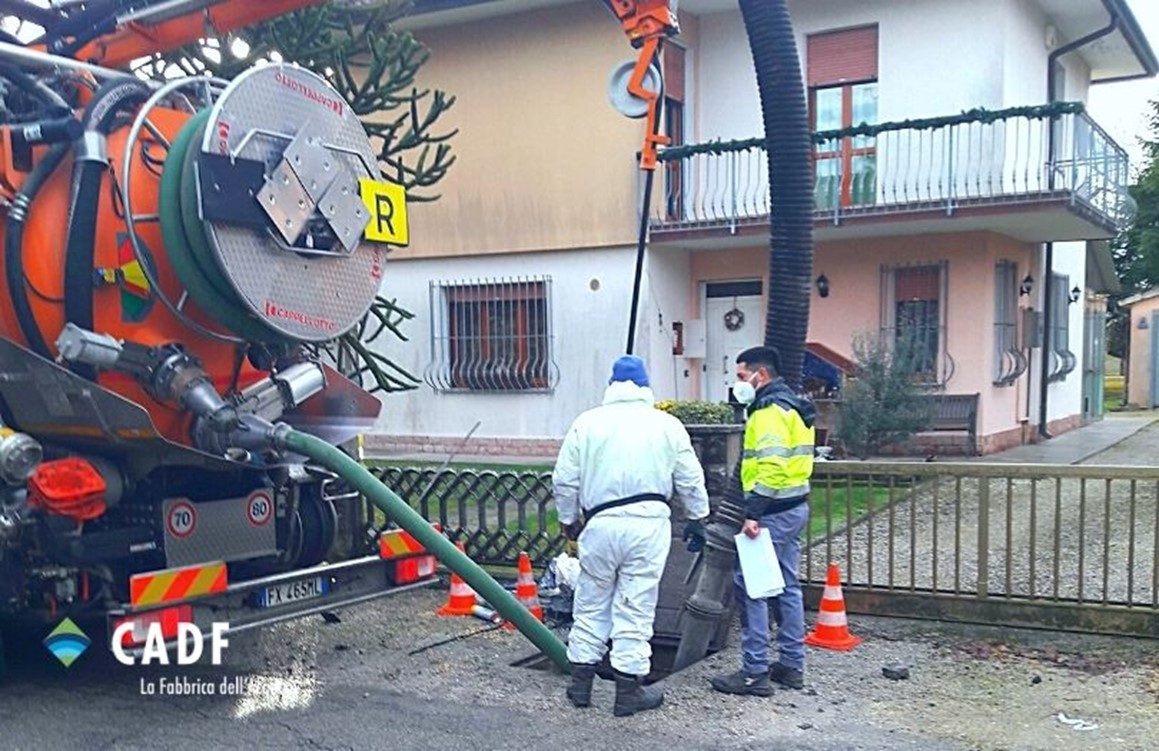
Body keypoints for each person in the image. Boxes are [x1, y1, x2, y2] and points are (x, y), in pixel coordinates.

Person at [553, 354, 710, 717]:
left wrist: (568, 520)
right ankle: (628, 693)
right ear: (644, 387)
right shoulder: (667, 425)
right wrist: (698, 518)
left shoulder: (587, 423)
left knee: (591, 601)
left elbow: (564, 479)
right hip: (648, 525)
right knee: (635, 605)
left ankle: (580, 685)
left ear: (611, 386)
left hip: (599, 525)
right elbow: (690, 477)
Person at [711, 345, 815, 697]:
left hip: (771, 512)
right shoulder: (794, 407)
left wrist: (753, 513)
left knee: (752, 587)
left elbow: (771, 467)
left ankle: (754, 672)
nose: (739, 384)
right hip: (794, 506)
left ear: (761, 375)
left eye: (742, 376)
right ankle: (791, 665)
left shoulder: (768, 412)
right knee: (786, 585)